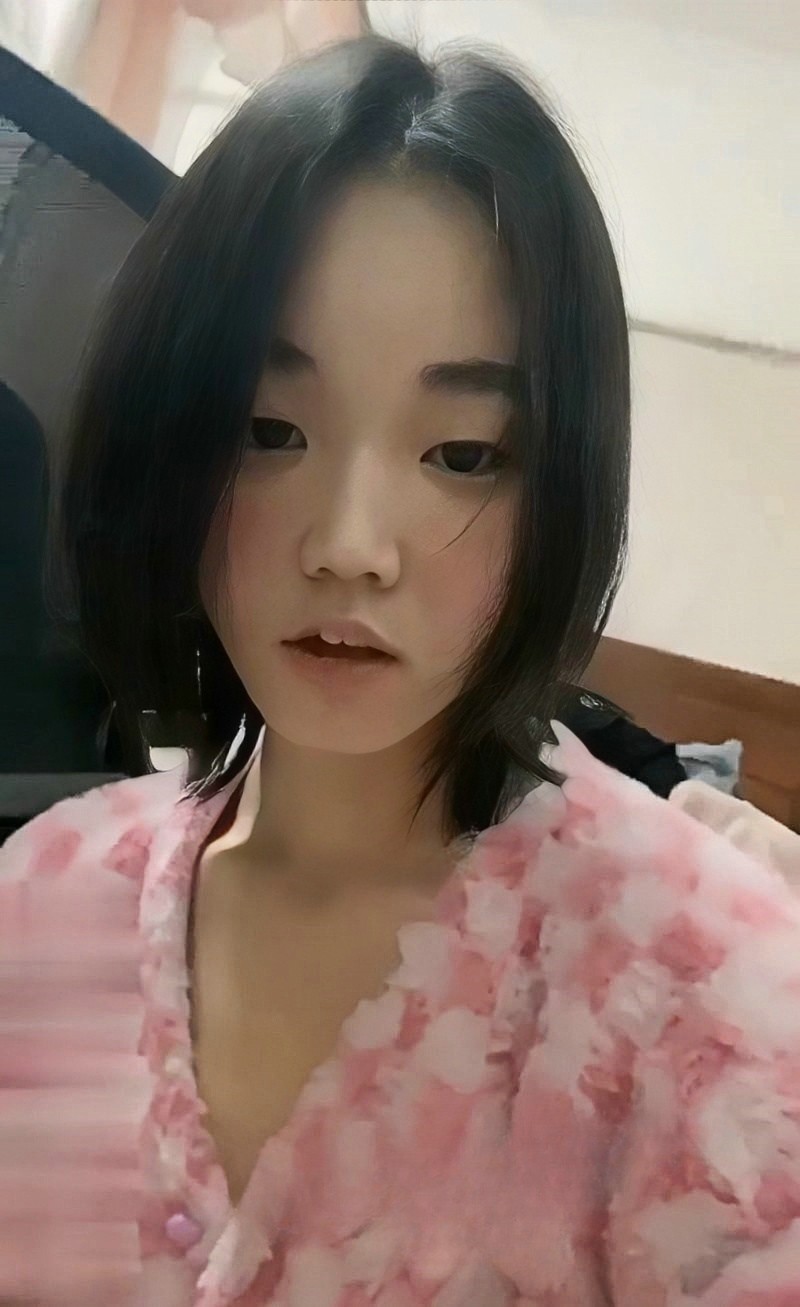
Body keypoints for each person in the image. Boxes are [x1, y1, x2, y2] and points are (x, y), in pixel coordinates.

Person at [1, 32, 799, 1307]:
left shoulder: (708, 997)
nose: (348, 544)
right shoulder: (45, 904)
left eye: (461, 453)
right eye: (268, 429)